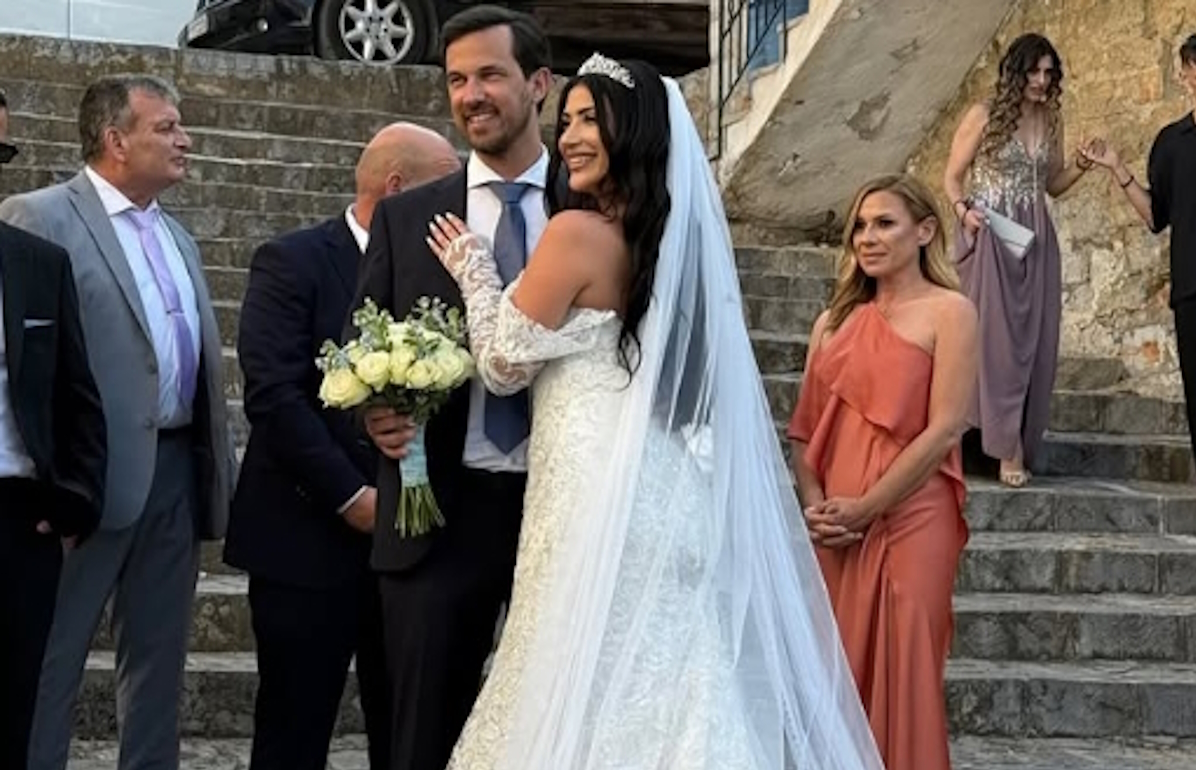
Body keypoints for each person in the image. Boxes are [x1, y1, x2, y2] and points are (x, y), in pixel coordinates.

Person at [424, 54, 883, 770]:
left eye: (589, 120)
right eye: (567, 120)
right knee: (674, 684)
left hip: (595, 493)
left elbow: (505, 364)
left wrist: (474, 269)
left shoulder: (575, 234)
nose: (570, 136)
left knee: (580, 679)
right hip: (666, 491)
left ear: (632, 132)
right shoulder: (669, 244)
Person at [0, 74, 234, 770]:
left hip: (175, 469)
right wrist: (54, 479)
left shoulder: (178, 235)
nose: (185, 140)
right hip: (84, 480)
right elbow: (25, 360)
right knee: (50, 658)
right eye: (166, 127)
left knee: (159, 662)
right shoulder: (38, 216)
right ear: (115, 140)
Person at [347, 7, 552, 769]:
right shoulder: (407, 219)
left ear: (539, 83)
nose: (471, 95)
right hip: (436, 516)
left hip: (565, 508)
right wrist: (374, 413)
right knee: (423, 741)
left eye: (490, 74)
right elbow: (360, 346)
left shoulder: (593, 206)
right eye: (457, 80)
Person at [225, 121, 460, 770]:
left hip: (411, 551)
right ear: (398, 188)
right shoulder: (292, 261)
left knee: (407, 737)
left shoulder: (445, 274)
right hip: (306, 540)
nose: (461, 206)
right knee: (293, 735)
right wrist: (351, 497)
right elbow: (274, 395)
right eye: (447, 188)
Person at [787, 174, 977, 770]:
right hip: (836, 526)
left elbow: (944, 429)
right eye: (860, 227)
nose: (867, 237)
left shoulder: (951, 312)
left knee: (908, 668)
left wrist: (868, 508)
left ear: (925, 231)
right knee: (836, 668)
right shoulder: (831, 324)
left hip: (913, 518)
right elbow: (804, 433)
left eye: (885, 223)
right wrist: (818, 509)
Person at [0, 91, 107, 770]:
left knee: (12, 711)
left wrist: (76, 497)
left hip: (15, 521)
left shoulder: (37, 262)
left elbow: (76, 391)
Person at [943, 32, 1096, 486]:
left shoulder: (1051, 118)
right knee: (995, 344)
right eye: (1034, 71)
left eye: (1049, 72)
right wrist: (964, 212)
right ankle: (1004, 447)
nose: (1041, 80)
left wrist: (1083, 165)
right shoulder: (983, 114)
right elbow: (952, 177)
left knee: (1036, 343)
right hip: (993, 231)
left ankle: (1017, 437)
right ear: (1016, 71)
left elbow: (1053, 184)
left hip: (1037, 239)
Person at [1082, 33, 1196, 473]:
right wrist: (1117, 168)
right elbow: (1155, 216)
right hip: (1193, 289)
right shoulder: (1171, 143)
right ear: (1185, 75)